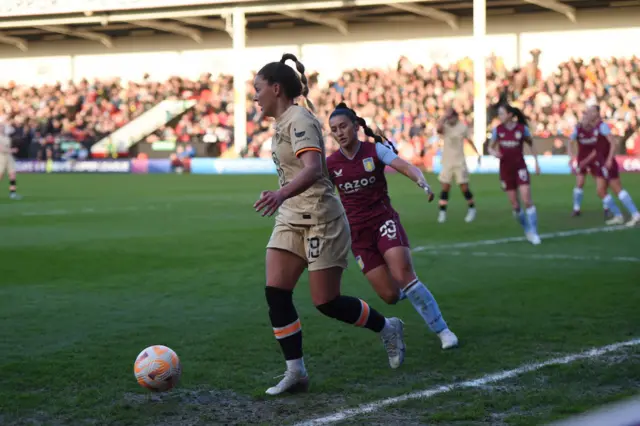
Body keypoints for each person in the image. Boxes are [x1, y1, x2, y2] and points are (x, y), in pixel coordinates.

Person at [253, 54, 405, 396]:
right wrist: (284, 199)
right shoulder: (284, 120)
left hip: (321, 217)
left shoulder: (300, 120)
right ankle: (296, 372)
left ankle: (388, 327)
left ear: (276, 89)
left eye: (257, 89)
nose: (254, 96)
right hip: (291, 216)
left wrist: (280, 193)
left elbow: (311, 169)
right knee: (275, 292)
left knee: (326, 301)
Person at [326, 103, 459, 350]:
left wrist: (421, 181)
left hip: (383, 221)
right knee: (389, 296)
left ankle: (442, 330)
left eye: (343, 126)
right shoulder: (331, 164)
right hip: (358, 234)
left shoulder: (374, 150)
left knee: (404, 275)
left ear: (356, 127)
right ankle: (412, 294)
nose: (339, 132)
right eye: (334, 129)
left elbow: (404, 166)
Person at [488, 104, 541, 245]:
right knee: (515, 205)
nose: (500, 117)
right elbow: (490, 147)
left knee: (527, 200)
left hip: (520, 167)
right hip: (505, 169)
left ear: (510, 115)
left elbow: (531, 144)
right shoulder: (497, 130)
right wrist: (494, 153)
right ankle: (526, 229)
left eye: (502, 113)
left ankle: (534, 232)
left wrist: (536, 162)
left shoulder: (522, 129)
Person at [567, 106, 627, 225]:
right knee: (580, 182)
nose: (585, 121)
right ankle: (576, 208)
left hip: (595, 159)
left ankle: (607, 207)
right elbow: (570, 142)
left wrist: (587, 160)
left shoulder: (596, 129)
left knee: (600, 184)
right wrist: (571, 156)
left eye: (586, 118)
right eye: (584, 118)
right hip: (582, 159)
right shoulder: (578, 129)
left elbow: (597, 148)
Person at [587, 106, 639, 227]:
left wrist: (610, 159)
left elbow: (613, 142)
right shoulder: (594, 128)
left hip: (607, 162)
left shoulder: (602, 126)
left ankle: (636, 214)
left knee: (617, 188)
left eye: (591, 112)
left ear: (596, 114)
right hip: (600, 163)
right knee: (600, 190)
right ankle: (618, 216)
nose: (588, 114)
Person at [436, 107, 480, 224]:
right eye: (448, 117)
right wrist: (444, 117)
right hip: (447, 162)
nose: (449, 119)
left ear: (456, 116)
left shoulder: (462, 127)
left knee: (464, 187)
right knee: (445, 187)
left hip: (459, 162)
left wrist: (477, 153)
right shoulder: (445, 126)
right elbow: (438, 129)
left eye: (450, 116)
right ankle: (442, 212)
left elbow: (469, 140)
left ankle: (472, 208)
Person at [0, 122, 21, 200]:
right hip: (1, 158)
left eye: (3, 127)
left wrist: (11, 151)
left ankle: (13, 193)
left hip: (9, 157)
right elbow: (1, 149)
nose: (2, 128)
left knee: (12, 175)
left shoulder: (7, 137)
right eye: (1, 127)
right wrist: (11, 150)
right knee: (0, 176)